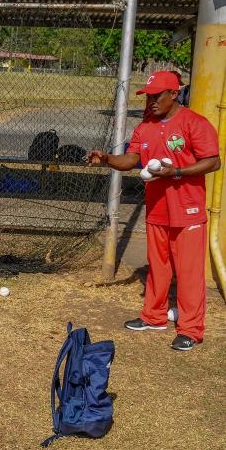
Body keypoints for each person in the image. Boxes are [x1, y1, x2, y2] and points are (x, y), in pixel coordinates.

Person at [88, 70, 220, 352]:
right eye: (148, 96)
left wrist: (178, 172)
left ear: (174, 94)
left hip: (188, 211)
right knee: (158, 267)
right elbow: (133, 159)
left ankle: (191, 329)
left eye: (157, 96)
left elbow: (213, 161)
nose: (151, 102)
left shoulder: (194, 123)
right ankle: (155, 317)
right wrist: (108, 159)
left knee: (188, 273)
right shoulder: (145, 127)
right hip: (158, 210)